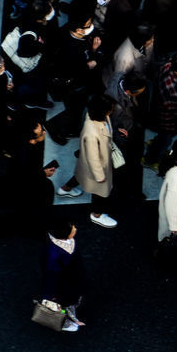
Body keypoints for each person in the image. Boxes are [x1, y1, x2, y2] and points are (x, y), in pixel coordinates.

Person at [73, 95, 118, 228]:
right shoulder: (91, 132)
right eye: (111, 109)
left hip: (99, 161)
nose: (112, 111)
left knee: (82, 176)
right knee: (99, 192)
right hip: (99, 166)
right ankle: (97, 215)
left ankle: (66, 188)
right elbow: (93, 158)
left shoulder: (96, 116)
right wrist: (100, 177)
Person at [147, 52, 177, 165]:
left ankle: (155, 143)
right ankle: (151, 160)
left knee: (165, 135)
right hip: (168, 118)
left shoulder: (168, 65)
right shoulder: (172, 89)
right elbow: (175, 109)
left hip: (163, 111)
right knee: (166, 139)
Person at [40, 221, 85, 333]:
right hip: (62, 287)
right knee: (62, 305)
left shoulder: (65, 242)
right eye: (72, 229)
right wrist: (52, 294)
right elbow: (52, 275)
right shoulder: (54, 254)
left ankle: (70, 314)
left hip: (71, 280)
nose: (75, 229)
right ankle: (63, 321)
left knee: (70, 301)